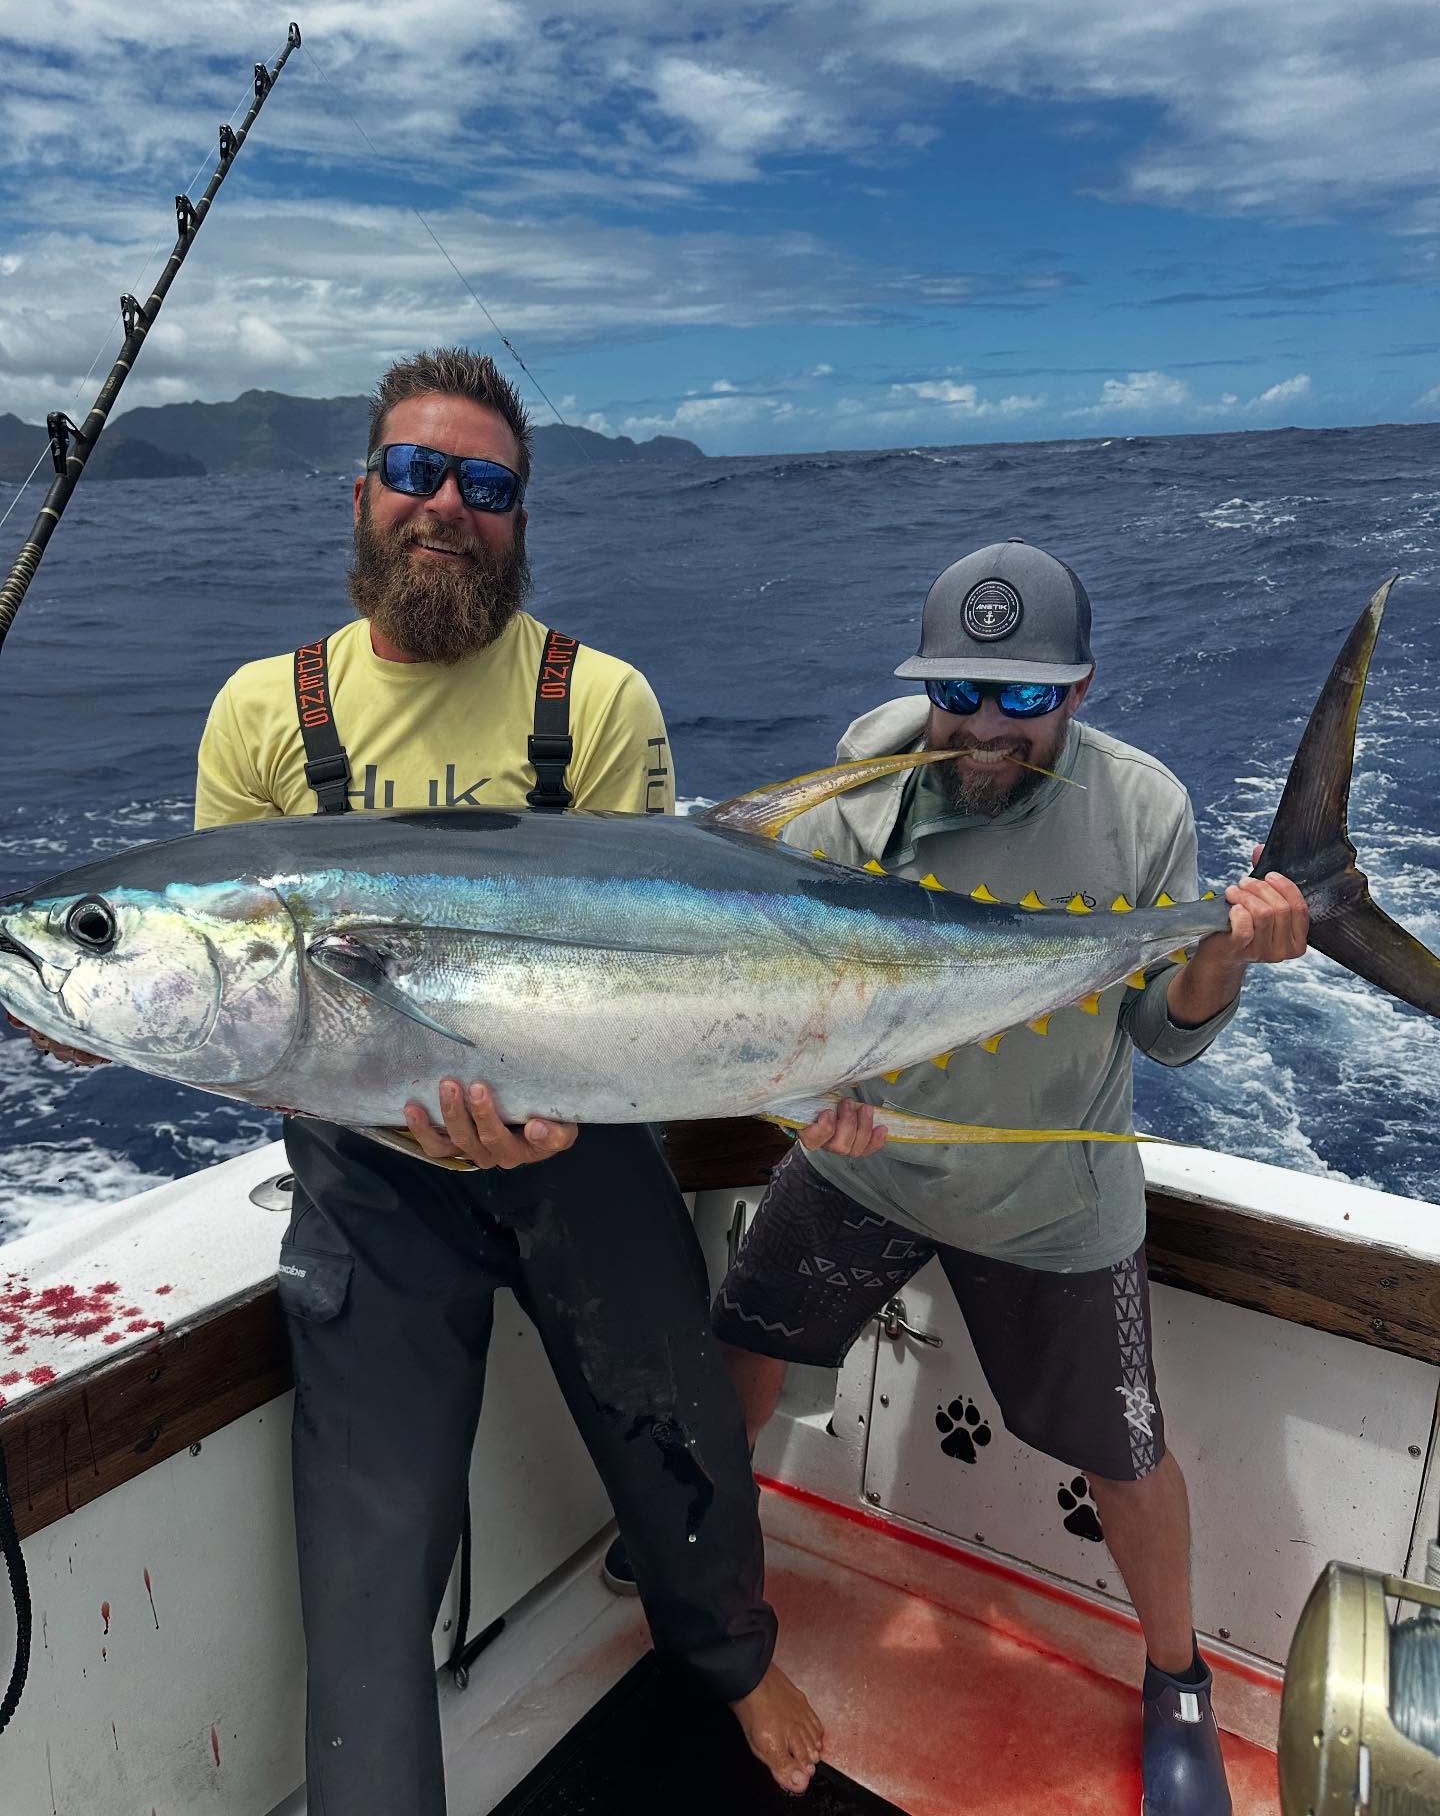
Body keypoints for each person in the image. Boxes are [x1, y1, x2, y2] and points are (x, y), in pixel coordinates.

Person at [13, 348, 823, 1812]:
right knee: (368, 1558)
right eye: (413, 473)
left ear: (521, 517)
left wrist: (779, 1071)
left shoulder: (604, 697)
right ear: (363, 496)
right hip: (369, 1185)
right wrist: (102, 1005)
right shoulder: (266, 711)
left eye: (486, 485)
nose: (445, 506)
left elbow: (662, 978)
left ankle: (733, 1657)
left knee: (678, 1433)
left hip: (584, 1152)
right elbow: (244, 1019)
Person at [709, 539, 1309, 1816]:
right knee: (737, 1349)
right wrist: (820, 1104)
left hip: (1050, 1194)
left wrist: (1230, 954)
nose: (983, 728)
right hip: (866, 1168)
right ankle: (704, 1568)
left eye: (1023, 700)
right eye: (959, 693)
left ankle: (1177, 1680)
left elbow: (1164, 1033)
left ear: (1079, 692)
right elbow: (796, 988)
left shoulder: (1142, 812)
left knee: (1127, 1456)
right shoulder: (856, 781)